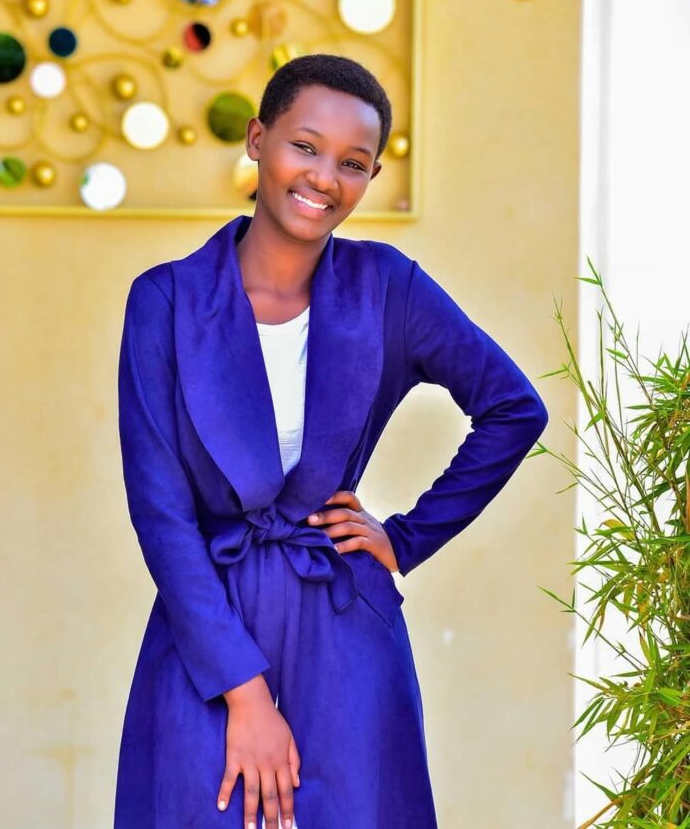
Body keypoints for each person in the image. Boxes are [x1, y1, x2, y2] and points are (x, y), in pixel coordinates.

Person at [114, 54, 549, 829]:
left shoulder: (388, 288)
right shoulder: (167, 301)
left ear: (372, 176)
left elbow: (515, 409)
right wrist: (245, 696)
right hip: (208, 635)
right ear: (258, 140)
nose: (324, 177)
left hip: (345, 630)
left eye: (352, 162)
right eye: (305, 146)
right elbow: (161, 514)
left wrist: (406, 539)